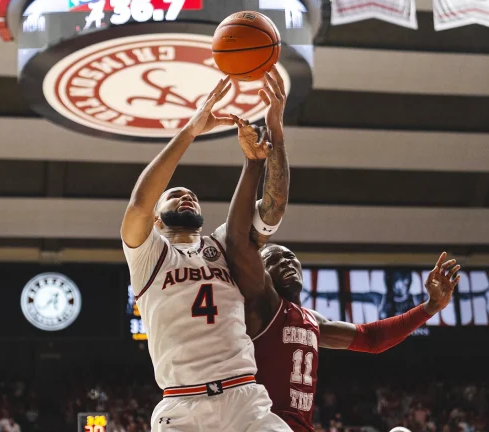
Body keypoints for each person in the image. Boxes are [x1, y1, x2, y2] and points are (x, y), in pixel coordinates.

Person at [224, 113, 463, 431]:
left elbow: (373, 338)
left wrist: (431, 307)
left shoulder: (310, 320)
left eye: (293, 260)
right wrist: (260, 159)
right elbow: (248, 231)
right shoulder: (257, 305)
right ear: (261, 274)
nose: (289, 263)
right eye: (277, 259)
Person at [120, 75, 291, 431]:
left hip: (243, 397)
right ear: (156, 219)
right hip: (182, 404)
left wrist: (274, 135)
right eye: (174, 193)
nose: (186, 196)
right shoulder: (148, 254)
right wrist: (191, 130)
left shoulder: (223, 246)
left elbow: (273, 210)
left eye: (191, 195)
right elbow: (138, 204)